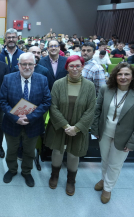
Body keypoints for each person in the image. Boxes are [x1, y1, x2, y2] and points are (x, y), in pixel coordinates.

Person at [91, 63, 134, 204]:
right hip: (104, 132)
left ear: (132, 77)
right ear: (115, 76)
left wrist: (133, 142)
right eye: (119, 74)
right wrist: (95, 130)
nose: (123, 77)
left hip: (125, 136)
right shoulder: (106, 89)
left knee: (115, 164)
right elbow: (97, 110)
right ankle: (104, 179)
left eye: (126, 74)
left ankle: (108, 188)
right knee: (105, 160)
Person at [44, 55, 96, 196]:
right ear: (66, 67)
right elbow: (53, 106)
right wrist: (65, 125)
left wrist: (76, 128)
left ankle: (71, 181)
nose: (74, 68)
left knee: (74, 154)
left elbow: (91, 109)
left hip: (78, 128)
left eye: (77, 66)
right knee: (57, 152)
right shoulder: (58, 84)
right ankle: (54, 175)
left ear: (82, 67)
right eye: (71, 66)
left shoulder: (90, 86)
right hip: (59, 126)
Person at [0, 53, 51, 187]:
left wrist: (30, 117)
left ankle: (26, 172)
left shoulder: (42, 79)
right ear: (19, 65)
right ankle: (12, 170)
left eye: (30, 64)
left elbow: (46, 102)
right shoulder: (8, 79)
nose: (27, 67)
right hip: (12, 123)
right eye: (24, 64)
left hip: (33, 124)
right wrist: (15, 118)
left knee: (29, 151)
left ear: (35, 65)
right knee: (11, 150)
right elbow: (2, 101)